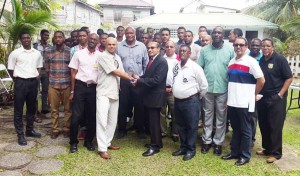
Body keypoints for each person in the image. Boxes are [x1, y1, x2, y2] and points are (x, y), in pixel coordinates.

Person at [221, 37, 265, 166]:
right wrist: (228, 99)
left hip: (245, 102)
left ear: (246, 47)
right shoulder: (231, 61)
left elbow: (261, 80)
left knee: (246, 130)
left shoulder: (251, 62)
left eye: (241, 45)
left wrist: (253, 94)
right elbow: (230, 82)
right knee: (236, 128)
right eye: (236, 45)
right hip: (232, 102)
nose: (238, 47)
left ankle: (245, 155)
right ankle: (234, 152)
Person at [198, 26, 235, 156]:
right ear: (211, 35)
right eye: (215, 32)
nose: (217, 34)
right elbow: (199, 69)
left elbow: (233, 70)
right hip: (207, 89)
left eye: (219, 32)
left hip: (223, 89)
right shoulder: (204, 50)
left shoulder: (230, 50)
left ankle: (218, 143)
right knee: (207, 117)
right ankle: (206, 141)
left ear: (223, 35)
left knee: (221, 117)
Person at [96, 37, 134, 159]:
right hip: (103, 93)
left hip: (115, 92)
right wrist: (133, 79)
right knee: (102, 121)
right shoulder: (102, 56)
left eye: (114, 44)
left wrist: (129, 79)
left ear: (116, 45)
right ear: (105, 45)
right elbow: (115, 72)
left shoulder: (117, 58)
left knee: (112, 121)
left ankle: (107, 143)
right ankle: (102, 149)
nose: (112, 46)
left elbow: (122, 72)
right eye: (109, 44)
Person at [256, 38, 293, 163]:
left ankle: (276, 153)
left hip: (276, 98)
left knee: (275, 125)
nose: (265, 48)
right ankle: (267, 148)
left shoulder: (280, 59)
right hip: (263, 98)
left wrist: (280, 94)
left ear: (273, 47)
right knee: (264, 124)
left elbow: (289, 78)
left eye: (268, 46)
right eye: (263, 46)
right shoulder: (261, 60)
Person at [131, 41, 168, 157]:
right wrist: (139, 78)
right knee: (152, 122)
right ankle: (157, 142)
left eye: (152, 48)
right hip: (150, 96)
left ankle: (155, 146)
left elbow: (156, 80)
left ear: (158, 49)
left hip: (155, 97)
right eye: (148, 48)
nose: (150, 50)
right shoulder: (152, 60)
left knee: (154, 122)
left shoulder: (161, 61)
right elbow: (148, 77)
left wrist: (139, 81)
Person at [172, 45, 208, 161]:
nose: (182, 52)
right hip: (178, 101)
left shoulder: (195, 67)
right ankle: (183, 147)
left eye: (185, 51)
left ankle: (191, 149)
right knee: (180, 126)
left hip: (191, 101)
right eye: (180, 51)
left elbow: (204, 86)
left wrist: (197, 97)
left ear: (189, 53)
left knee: (191, 126)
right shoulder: (176, 66)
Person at [8, 31, 43, 145]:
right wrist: (17, 80)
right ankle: (20, 135)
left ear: (31, 38)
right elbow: (10, 69)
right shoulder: (15, 53)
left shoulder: (37, 53)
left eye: (28, 38)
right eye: (24, 38)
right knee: (18, 109)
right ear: (20, 40)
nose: (26, 40)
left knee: (31, 108)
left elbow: (39, 67)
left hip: (33, 83)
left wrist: (36, 76)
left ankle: (29, 130)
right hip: (20, 83)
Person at [68, 33, 100, 153]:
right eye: (90, 38)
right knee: (76, 117)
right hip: (80, 87)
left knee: (92, 116)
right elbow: (73, 73)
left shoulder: (100, 56)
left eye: (95, 39)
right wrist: (72, 90)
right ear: (87, 39)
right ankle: (73, 143)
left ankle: (88, 141)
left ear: (98, 42)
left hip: (93, 89)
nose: (92, 40)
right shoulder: (78, 54)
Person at [116, 27, 149, 139]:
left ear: (135, 34)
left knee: (139, 106)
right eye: (127, 33)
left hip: (138, 81)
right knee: (123, 106)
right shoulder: (119, 46)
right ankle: (121, 129)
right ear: (125, 34)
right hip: (124, 81)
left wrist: (142, 79)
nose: (129, 35)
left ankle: (140, 129)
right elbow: (116, 64)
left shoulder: (142, 46)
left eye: (131, 33)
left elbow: (146, 64)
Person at [44, 31, 72, 139]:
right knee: (54, 109)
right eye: (56, 37)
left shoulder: (70, 51)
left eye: (60, 37)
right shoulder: (48, 51)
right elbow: (47, 69)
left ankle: (66, 129)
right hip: (53, 84)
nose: (58, 39)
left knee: (68, 109)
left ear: (64, 38)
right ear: (53, 39)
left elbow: (72, 69)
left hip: (67, 84)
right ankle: (55, 129)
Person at [159, 40, 180, 141]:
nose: (169, 48)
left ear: (175, 48)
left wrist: (173, 86)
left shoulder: (179, 60)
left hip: (174, 90)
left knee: (175, 111)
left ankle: (175, 132)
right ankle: (163, 131)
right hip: (162, 89)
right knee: (161, 111)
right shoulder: (162, 59)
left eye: (171, 47)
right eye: (167, 47)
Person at [33, 29, 51, 123]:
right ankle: (35, 111)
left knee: (45, 90)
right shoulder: (35, 46)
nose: (46, 37)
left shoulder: (50, 47)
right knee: (35, 91)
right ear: (41, 35)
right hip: (36, 70)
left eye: (48, 35)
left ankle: (44, 108)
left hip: (46, 71)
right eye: (45, 35)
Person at [249, 38, 263, 146]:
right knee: (247, 115)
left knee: (254, 117)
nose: (254, 47)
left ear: (260, 46)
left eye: (257, 45)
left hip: (261, 91)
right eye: (253, 45)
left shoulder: (264, 58)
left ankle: (251, 139)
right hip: (247, 91)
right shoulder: (246, 57)